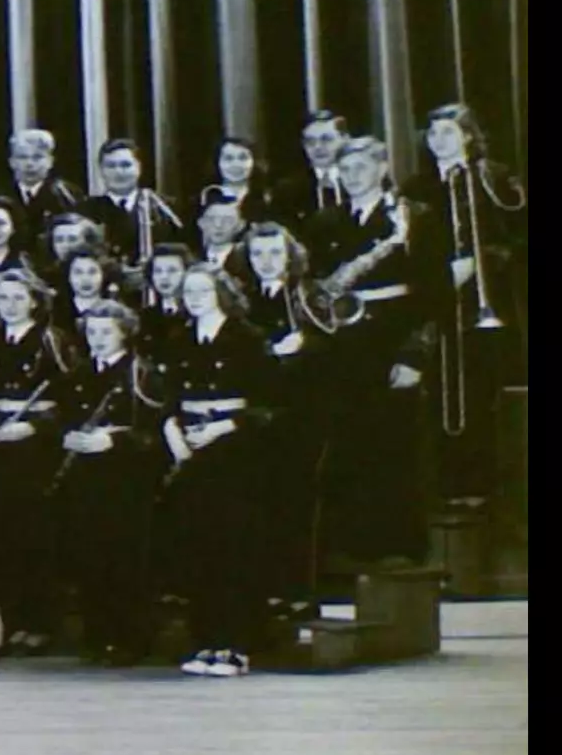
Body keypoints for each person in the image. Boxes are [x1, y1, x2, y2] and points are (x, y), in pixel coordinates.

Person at [303, 138, 441, 573]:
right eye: (346, 168)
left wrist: (415, 353)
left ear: (383, 167)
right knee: (346, 448)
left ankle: (397, 547)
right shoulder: (326, 220)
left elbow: (434, 294)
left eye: (362, 166)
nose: (353, 175)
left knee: (394, 449)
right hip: (340, 347)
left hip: (392, 342)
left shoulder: (415, 219)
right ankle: (349, 550)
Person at [403, 102, 528, 499]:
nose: (439, 140)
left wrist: (485, 260)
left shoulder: (495, 178)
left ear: (469, 137)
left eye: (449, 133)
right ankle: (451, 487)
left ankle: (494, 490)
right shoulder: (416, 188)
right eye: (434, 133)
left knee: (487, 396)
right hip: (442, 305)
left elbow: (518, 234)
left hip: (491, 303)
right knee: (446, 395)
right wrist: (444, 272)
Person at [160, 264, 279, 678]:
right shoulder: (178, 340)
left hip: (236, 452)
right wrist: (174, 434)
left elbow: (267, 405)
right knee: (200, 549)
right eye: (187, 291)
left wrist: (223, 427)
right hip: (192, 452)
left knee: (235, 551)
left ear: (222, 292)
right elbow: (169, 398)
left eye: (202, 290)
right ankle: (205, 640)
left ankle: (236, 644)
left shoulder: (247, 339)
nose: (193, 297)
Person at [0, 269, 77, 654]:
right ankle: (4, 619)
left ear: (35, 301)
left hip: (33, 450)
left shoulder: (52, 342)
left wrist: (35, 428)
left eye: (18, 298)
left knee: (34, 538)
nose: (10, 305)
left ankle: (40, 623)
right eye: (3, 298)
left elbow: (70, 398)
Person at [47, 302, 168, 666]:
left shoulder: (142, 375)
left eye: (106, 332)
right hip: (85, 483)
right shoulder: (77, 375)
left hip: (126, 484)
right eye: (92, 332)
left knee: (126, 561)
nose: (97, 339)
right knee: (90, 557)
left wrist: (114, 441)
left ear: (124, 332)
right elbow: (60, 417)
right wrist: (65, 437)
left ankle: (131, 638)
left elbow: (155, 432)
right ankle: (98, 635)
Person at [236, 222, 333, 618]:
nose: (266, 261)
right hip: (255, 416)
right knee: (257, 505)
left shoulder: (309, 296)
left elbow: (334, 348)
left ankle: (299, 591)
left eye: (274, 253)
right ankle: (263, 591)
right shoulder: (241, 300)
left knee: (296, 505)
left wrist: (305, 346)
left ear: (290, 256)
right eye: (258, 254)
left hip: (299, 416)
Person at [82, 139, 184, 266]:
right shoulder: (86, 211)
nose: (118, 172)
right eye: (111, 166)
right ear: (101, 170)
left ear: (139, 167)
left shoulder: (164, 208)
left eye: (126, 165)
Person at [269, 109, 351, 228]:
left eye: (326, 139)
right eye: (310, 141)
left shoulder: (362, 182)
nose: (318, 147)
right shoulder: (286, 191)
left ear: (345, 139)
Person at [6, 128, 84, 251]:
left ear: (50, 161)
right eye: (22, 157)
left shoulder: (66, 195)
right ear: (12, 162)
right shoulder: (2, 197)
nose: (29, 164)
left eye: (37, 157)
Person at [198, 135, 274, 226]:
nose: (236, 165)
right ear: (217, 163)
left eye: (243, 158)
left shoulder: (268, 199)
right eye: (228, 159)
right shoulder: (204, 199)